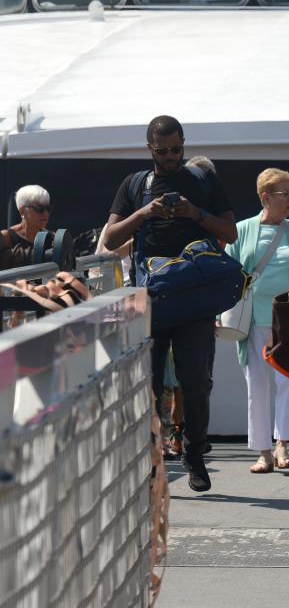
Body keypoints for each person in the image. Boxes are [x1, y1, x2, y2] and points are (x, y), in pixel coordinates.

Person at [101, 115, 237, 493]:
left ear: (183, 143)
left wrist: (195, 213)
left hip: (194, 297)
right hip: (153, 297)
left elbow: (230, 231)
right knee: (149, 383)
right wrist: (145, 213)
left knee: (196, 380)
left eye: (177, 149)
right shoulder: (135, 184)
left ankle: (194, 456)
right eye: (163, 151)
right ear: (150, 149)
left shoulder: (202, 180)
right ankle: (151, 459)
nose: (172, 157)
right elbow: (109, 239)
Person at [225, 168, 289, 474]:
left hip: (286, 323)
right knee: (256, 387)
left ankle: (282, 444)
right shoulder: (242, 230)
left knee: (288, 383)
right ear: (265, 198)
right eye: (284, 194)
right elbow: (228, 274)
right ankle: (263, 451)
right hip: (251, 322)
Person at [3, 185, 52, 266]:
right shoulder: (6, 238)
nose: (46, 214)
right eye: (39, 208)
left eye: (48, 209)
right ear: (22, 211)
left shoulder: (52, 238)